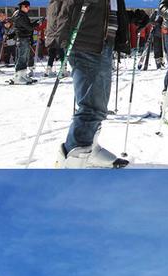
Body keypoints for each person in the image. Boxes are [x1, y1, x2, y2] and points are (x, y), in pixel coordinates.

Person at [46, 1, 150, 168]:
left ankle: (89, 146)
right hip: (84, 39)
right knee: (92, 106)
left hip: (102, 42)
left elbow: (105, 9)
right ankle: (76, 155)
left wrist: (129, 17)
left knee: (98, 103)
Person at [11, 2, 36, 85]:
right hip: (22, 38)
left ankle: (23, 75)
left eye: (29, 6)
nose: (28, 8)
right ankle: (19, 76)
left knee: (24, 57)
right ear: (22, 6)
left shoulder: (23, 14)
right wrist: (37, 23)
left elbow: (28, 26)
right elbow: (28, 27)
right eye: (26, 6)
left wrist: (36, 22)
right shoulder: (19, 15)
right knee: (22, 57)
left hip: (24, 38)